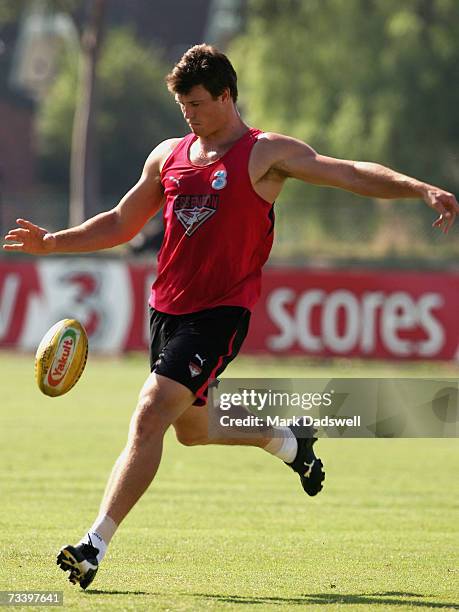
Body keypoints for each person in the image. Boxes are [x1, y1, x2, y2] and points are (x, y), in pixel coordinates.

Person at [3, 44, 458, 590]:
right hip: (167, 309)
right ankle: (289, 441)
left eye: (196, 103)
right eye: (182, 106)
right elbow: (123, 222)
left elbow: (351, 173)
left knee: (150, 414)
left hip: (220, 314)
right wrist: (53, 243)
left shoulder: (264, 154)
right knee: (191, 430)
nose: (189, 115)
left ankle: (92, 544)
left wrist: (420, 189)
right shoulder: (168, 156)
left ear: (226, 96)